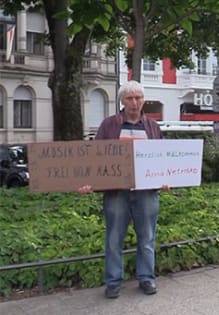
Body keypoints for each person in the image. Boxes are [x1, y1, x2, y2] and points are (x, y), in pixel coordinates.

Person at [79, 80, 166, 298]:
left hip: (146, 192)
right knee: (113, 238)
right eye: (130, 98)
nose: (135, 102)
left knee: (147, 238)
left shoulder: (153, 126)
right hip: (116, 192)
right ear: (122, 101)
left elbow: (163, 157)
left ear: (144, 100)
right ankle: (113, 282)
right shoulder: (109, 125)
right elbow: (95, 158)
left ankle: (146, 279)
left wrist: (165, 178)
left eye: (138, 98)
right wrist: (91, 182)